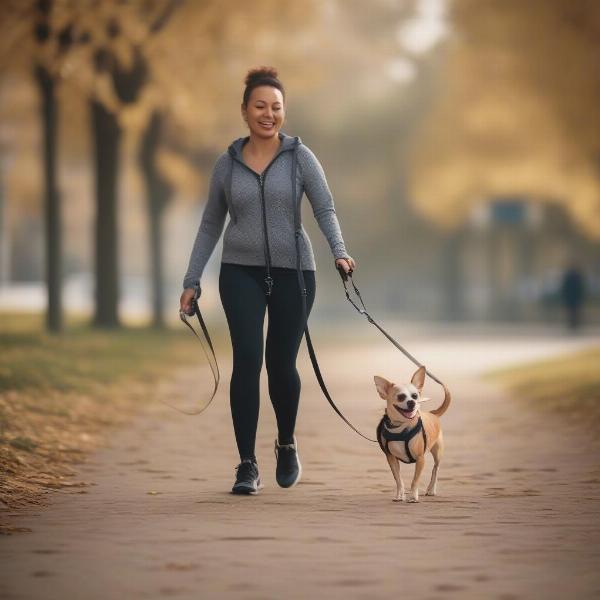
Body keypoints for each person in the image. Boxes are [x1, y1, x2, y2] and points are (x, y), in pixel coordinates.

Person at [179, 66, 356, 495]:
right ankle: (245, 465)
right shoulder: (227, 163)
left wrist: (339, 250)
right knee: (247, 362)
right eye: (260, 106)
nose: (268, 114)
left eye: (276, 107)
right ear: (244, 111)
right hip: (240, 271)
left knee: (281, 366)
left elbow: (325, 208)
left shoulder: (300, 158)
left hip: (295, 270)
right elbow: (209, 225)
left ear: (283, 112)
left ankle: (286, 442)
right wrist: (192, 279)